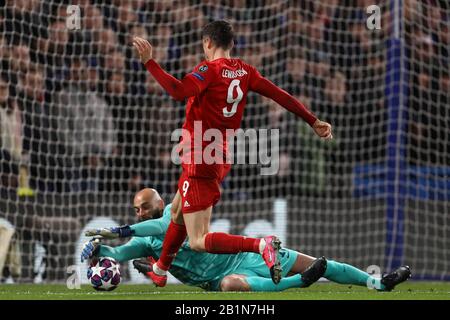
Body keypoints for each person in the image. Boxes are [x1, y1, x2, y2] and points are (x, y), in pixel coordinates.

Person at [131, 20, 333, 287]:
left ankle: (260, 244)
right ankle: (160, 268)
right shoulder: (245, 71)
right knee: (178, 210)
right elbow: (280, 95)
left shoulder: (208, 70)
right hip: (219, 154)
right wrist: (313, 120)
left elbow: (178, 91)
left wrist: (149, 62)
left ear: (208, 43)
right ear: (232, 44)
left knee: (198, 240)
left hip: (200, 157)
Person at [81, 188, 411, 292]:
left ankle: (377, 283)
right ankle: (300, 282)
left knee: (322, 263)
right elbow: (119, 252)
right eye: (136, 210)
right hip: (219, 277)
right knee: (229, 287)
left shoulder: (174, 212)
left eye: (144, 207)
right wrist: (97, 249)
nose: (140, 213)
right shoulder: (147, 242)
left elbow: (159, 227)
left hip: (240, 257)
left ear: (158, 202)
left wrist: (122, 229)